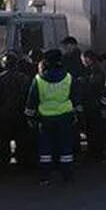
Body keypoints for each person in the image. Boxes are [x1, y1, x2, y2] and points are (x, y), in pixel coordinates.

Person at [25, 48, 82, 185]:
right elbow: (76, 98)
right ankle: (67, 176)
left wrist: (30, 118)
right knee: (65, 147)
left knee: (45, 148)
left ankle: (45, 177)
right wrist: (78, 114)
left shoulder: (38, 79)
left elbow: (31, 101)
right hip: (65, 117)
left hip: (45, 119)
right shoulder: (68, 78)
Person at [0, 52, 33, 169]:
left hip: (2, 116)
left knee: (1, 141)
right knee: (22, 141)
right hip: (20, 115)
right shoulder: (25, 79)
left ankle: (1, 162)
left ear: (4, 64)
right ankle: (23, 161)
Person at [80, 50, 106, 163]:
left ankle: (97, 153)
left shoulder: (96, 70)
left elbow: (96, 84)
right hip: (94, 104)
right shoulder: (94, 69)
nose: (82, 61)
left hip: (94, 104)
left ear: (89, 59)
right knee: (94, 129)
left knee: (95, 130)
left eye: (83, 59)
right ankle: (96, 152)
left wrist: (84, 81)